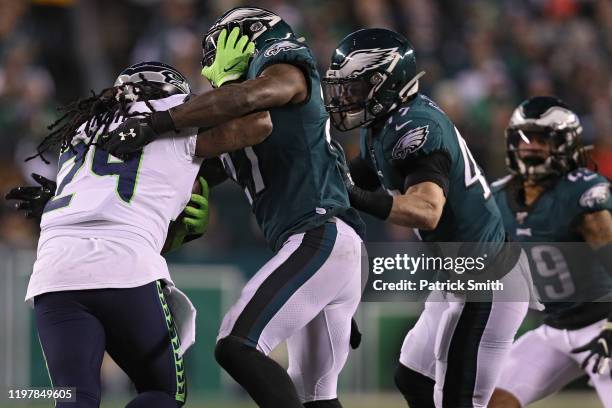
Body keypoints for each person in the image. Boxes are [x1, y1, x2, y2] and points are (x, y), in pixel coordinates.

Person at [95, 7, 366, 408]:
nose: (208, 69)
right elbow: (183, 177)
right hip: (330, 251)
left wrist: (158, 122)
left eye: (214, 53)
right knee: (317, 398)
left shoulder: (287, 67)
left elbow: (254, 94)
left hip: (321, 236)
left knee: (236, 343)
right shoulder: (245, 124)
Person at [5, 61, 272, 408]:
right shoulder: (174, 118)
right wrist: (222, 86)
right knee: (164, 392)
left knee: (74, 396)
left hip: (55, 269)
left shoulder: (84, 125)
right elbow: (259, 123)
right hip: (125, 266)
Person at [321, 28, 534, 407]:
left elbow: (427, 210)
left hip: (487, 281)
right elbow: (347, 183)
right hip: (461, 274)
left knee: (457, 400)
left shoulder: (415, 129)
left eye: (353, 87)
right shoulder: (385, 125)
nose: (345, 98)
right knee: (414, 377)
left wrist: (352, 195)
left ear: (383, 82)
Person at [488, 96, 612, 407]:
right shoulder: (500, 196)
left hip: (602, 324)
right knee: (486, 400)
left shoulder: (581, 192)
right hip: (556, 327)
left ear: (565, 144)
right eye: (524, 139)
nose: (530, 148)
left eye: (541, 140)